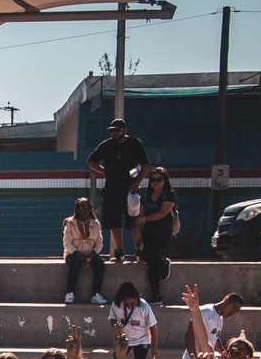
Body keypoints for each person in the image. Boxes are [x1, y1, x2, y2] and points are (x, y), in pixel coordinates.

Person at [86, 117, 149, 263]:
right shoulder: (106, 145)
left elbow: (145, 165)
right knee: (114, 221)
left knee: (134, 221)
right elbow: (91, 161)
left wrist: (137, 182)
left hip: (130, 190)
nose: (114, 133)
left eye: (117, 130)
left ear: (124, 130)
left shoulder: (135, 143)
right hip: (112, 189)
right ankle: (119, 251)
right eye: (111, 131)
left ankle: (139, 251)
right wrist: (105, 172)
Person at [136, 166, 178, 304]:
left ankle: (163, 264)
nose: (155, 182)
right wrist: (139, 232)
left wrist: (145, 219)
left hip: (163, 233)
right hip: (148, 233)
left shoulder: (169, 195)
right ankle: (156, 294)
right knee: (149, 260)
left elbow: (161, 213)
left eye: (159, 179)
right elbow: (141, 215)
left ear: (165, 181)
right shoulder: (146, 196)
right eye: (153, 180)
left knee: (149, 254)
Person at [107, 282, 157, 359]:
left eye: (133, 303)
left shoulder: (144, 307)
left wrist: (154, 347)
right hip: (124, 338)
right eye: (127, 304)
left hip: (142, 339)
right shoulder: (116, 304)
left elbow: (153, 327)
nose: (130, 306)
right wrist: (117, 330)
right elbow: (112, 319)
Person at [62, 196, 106, 304]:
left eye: (87, 207)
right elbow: (67, 242)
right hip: (73, 254)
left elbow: (99, 243)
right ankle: (70, 293)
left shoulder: (96, 223)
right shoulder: (70, 223)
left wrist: (92, 254)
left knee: (100, 263)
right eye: (81, 208)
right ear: (77, 209)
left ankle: (95, 295)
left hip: (90, 254)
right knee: (75, 264)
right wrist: (77, 254)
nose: (85, 210)